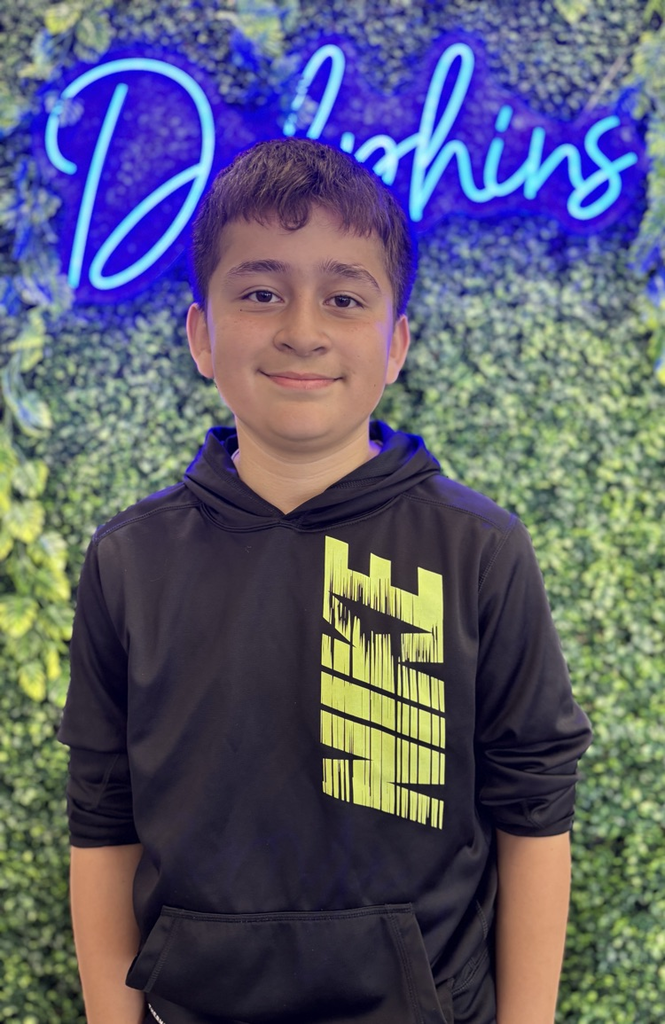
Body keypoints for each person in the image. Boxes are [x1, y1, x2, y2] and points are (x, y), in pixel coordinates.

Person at [59, 137, 592, 1024]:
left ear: (395, 345)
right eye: (261, 293)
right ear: (200, 334)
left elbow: (532, 814)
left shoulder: (477, 549)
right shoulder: (129, 560)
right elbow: (103, 823)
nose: (301, 328)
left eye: (344, 298)